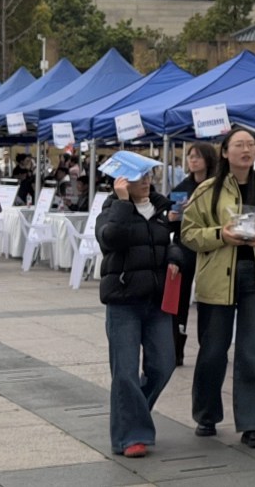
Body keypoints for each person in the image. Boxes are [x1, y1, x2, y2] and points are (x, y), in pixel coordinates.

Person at [181, 128, 255, 449]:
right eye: (239, 145)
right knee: (213, 351)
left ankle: (254, 424)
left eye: (251, 145)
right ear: (225, 152)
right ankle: (206, 414)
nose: (247, 150)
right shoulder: (207, 190)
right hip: (217, 279)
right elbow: (188, 233)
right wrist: (221, 235)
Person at [95, 166, 184, 458]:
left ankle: (131, 416)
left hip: (157, 301)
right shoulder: (111, 209)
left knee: (163, 365)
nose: (146, 181)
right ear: (122, 180)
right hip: (124, 300)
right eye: (138, 177)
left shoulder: (161, 208)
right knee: (125, 371)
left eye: (148, 175)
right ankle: (131, 436)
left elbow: (174, 241)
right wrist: (123, 202)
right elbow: (110, 239)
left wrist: (174, 258)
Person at [169, 142, 217, 366]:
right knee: (179, 301)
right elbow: (171, 222)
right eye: (190, 156)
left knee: (209, 299)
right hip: (185, 248)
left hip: (211, 247)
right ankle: (176, 348)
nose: (193, 160)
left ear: (208, 159)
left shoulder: (217, 186)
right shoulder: (182, 187)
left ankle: (209, 347)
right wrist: (172, 216)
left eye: (197, 156)